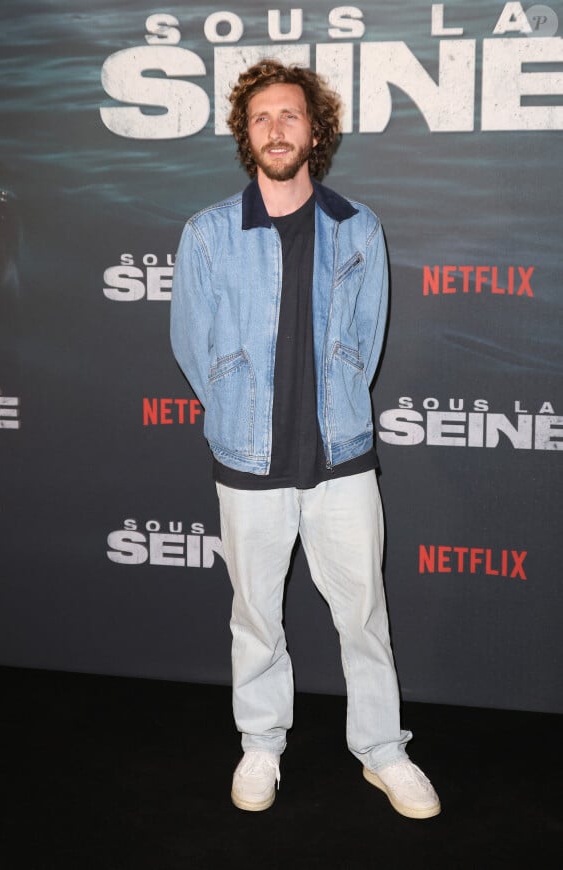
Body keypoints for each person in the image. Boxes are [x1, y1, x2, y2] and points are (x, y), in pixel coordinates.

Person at [170, 59, 440, 820]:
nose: (276, 129)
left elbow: (367, 338)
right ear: (244, 134)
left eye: (290, 115)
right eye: (261, 117)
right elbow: (193, 347)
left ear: (314, 131)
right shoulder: (208, 234)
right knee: (256, 616)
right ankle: (261, 743)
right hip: (247, 460)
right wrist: (235, 411)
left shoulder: (360, 228)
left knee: (364, 615)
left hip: (342, 459)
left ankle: (384, 752)